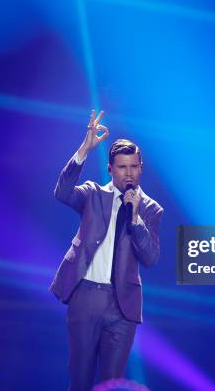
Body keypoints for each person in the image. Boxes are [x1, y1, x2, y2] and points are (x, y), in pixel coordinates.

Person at [50, 110, 163, 391]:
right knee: (80, 379)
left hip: (122, 305)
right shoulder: (92, 194)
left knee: (111, 385)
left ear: (141, 168)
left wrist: (135, 217)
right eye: (122, 167)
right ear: (111, 169)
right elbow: (62, 192)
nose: (129, 173)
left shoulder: (150, 209)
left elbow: (150, 257)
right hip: (86, 295)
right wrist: (84, 149)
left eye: (134, 167)